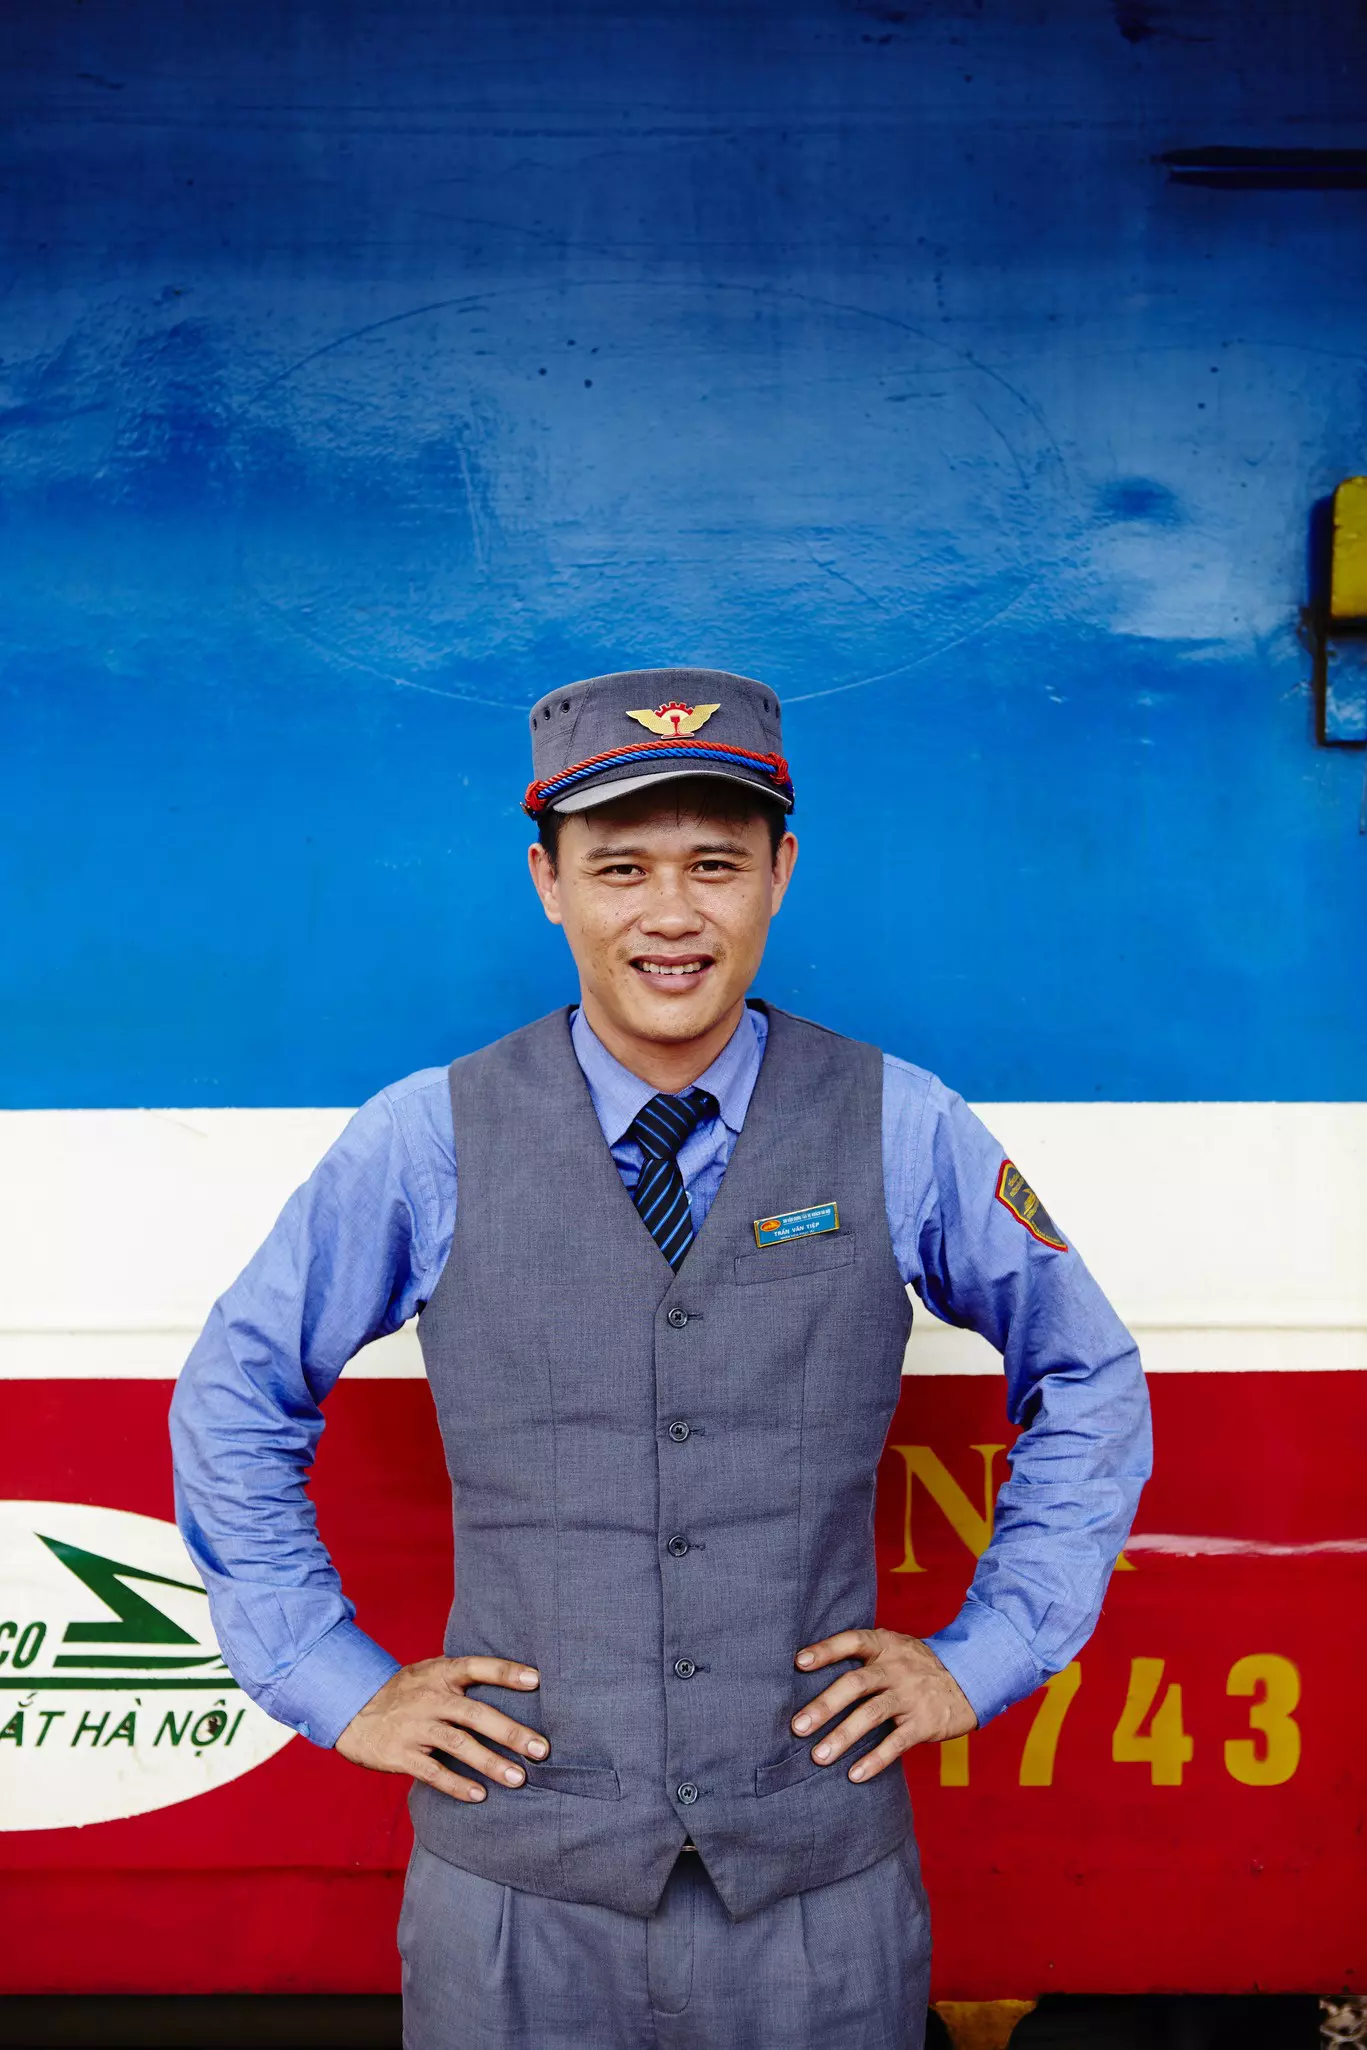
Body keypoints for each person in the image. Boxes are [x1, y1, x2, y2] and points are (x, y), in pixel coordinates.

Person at [171, 667, 1151, 2050]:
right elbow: (234, 1388)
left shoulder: (902, 1122)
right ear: (547, 883)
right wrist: (327, 1673)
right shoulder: (425, 1135)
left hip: (816, 1896)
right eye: (620, 866)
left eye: (715, 863)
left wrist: (984, 1652)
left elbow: (1089, 1376)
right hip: (515, 1895)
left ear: (779, 875)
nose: (671, 913)